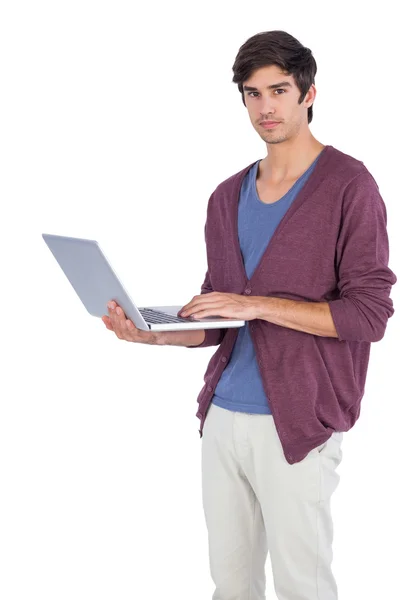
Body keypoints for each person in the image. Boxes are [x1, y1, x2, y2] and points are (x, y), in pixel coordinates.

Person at [102, 30, 397, 600]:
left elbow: (369, 315)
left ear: (309, 93)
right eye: (253, 93)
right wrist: (151, 336)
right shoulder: (225, 196)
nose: (266, 106)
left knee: (302, 586)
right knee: (230, 586)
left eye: (279, 90)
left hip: (298, 423)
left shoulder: (348, 186)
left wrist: (256, 304)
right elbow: (220, 316)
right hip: (221, 420)